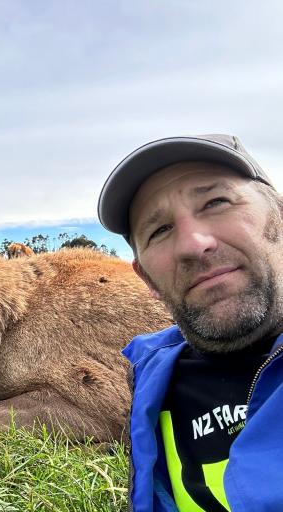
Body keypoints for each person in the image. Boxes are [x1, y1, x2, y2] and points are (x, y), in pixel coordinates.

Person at [97, 134, 283, 511]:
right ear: (146, 278)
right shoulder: (150, 381)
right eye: (159, 230)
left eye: (216, 202)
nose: (193, 244)